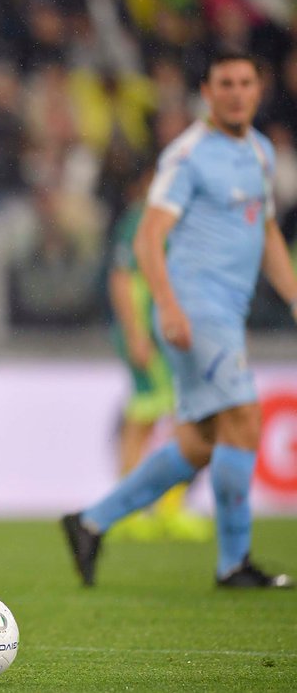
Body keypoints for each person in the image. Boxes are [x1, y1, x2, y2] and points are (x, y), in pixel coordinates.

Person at [63, 50, 297, 589]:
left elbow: (267, 235)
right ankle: (234, 564)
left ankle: (91, 521)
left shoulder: (260, 152)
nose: (237, 92)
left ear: (258, 90)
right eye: (225, 83)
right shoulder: (187, 156)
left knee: (199, 442)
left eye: (246, 82)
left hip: (225, 314)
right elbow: (149, 237)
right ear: (207, 92)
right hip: (196, 310)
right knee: (244, 421)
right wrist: (167, 305)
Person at [105, 175, 210, 543]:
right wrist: (135, 334)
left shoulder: (177, 220)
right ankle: (133, 509)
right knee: (148, 417)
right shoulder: (141, 219)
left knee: (172, 416)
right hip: (149, 335)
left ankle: (161, 507)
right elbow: (122, 278)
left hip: (170, 334)